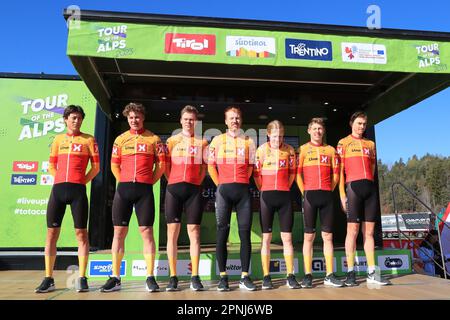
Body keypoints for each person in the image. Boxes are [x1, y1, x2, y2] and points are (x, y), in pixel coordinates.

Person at [100, 102, 165, 292]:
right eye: (131, 117)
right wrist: (125, 182)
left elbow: (161, 166)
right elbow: (114, 165)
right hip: (124, 190)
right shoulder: (120, 139)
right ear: (127, 119)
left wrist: (148, 183)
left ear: (143, 117)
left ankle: (150, 276)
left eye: (137, 117)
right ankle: (115, 276)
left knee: (147, 232)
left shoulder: (154, 139)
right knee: (119, 233)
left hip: (144, 190)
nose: (134, 120)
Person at [35, 105, 100, 293]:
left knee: (81, 234)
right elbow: (51, 165)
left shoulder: (89, 139)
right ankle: (48, 278)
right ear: (65, 119)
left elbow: (96, 168)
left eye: (79, 118)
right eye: (73, 117)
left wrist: (80, 182)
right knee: (51, 234)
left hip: (78, 191)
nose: (76, 121)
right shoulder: (58, 139)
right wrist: (60, 179)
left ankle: (82, 277)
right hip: (58, 191)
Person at [337, 111, 391, 286]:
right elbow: (340, 171)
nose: (361, 127)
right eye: (359, 123)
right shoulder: (343, 142)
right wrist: (342, 195)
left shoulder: (370, 144)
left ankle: (371, 271)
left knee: (368, 232)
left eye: (364, 124)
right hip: (353, 188)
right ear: (351, 123)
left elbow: (373, 167)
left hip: (369, 190)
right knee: (352, 231)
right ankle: (351, 272)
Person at [208, 106, 257, 291]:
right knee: (222, 233)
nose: (234, 121)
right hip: (224, 191)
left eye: (237, 118)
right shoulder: (217, 141)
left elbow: (251, 166)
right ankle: (223, 277)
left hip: (243, 191)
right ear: (226, 121)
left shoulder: (249, 141)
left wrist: (242, 180)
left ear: (240, 121)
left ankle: (245, 276)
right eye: (231, 118)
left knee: (245, 234)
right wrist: (220, 184)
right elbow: (211, 166)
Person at [164, 105, 208, 291]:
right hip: (173, 188)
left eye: (192, 119)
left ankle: (195, 276)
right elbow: (165, 166)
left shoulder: (203, 142)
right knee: (172, 233)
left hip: (193, 190)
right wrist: (172, 180)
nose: (189, 122)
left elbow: (205, 167)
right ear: (180, 120)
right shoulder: (171, 141)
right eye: (186, 119)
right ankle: (173, 277)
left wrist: (195, 182)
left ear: (195, 122)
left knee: (194, 233)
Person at [296, 118, 344, 288]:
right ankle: (308, 275)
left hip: (326, 197)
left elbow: (336, 175)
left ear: (323, 131)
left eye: (320, 129)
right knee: (308, 236)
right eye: (314, 128)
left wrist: (328, 190)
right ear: (309, 131)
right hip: (309, 196)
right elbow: (297, 175)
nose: (317, 131)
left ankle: (329, 274)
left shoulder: (331, 150)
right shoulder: (302, 150)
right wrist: (305, 193)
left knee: (328, 237)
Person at [254, 120, 300, 290]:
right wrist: (265, 189)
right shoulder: (261, 150)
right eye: (274, 136)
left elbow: (293, 173)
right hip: (266, 196)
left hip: (284, 197)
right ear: (268, 135)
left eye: (280, 136)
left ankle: (290, 275)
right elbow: (257, 175)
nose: (277, 139)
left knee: (287, 238)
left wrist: (284, 188)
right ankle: (266, 276)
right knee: (266, 238)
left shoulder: (289, 150)